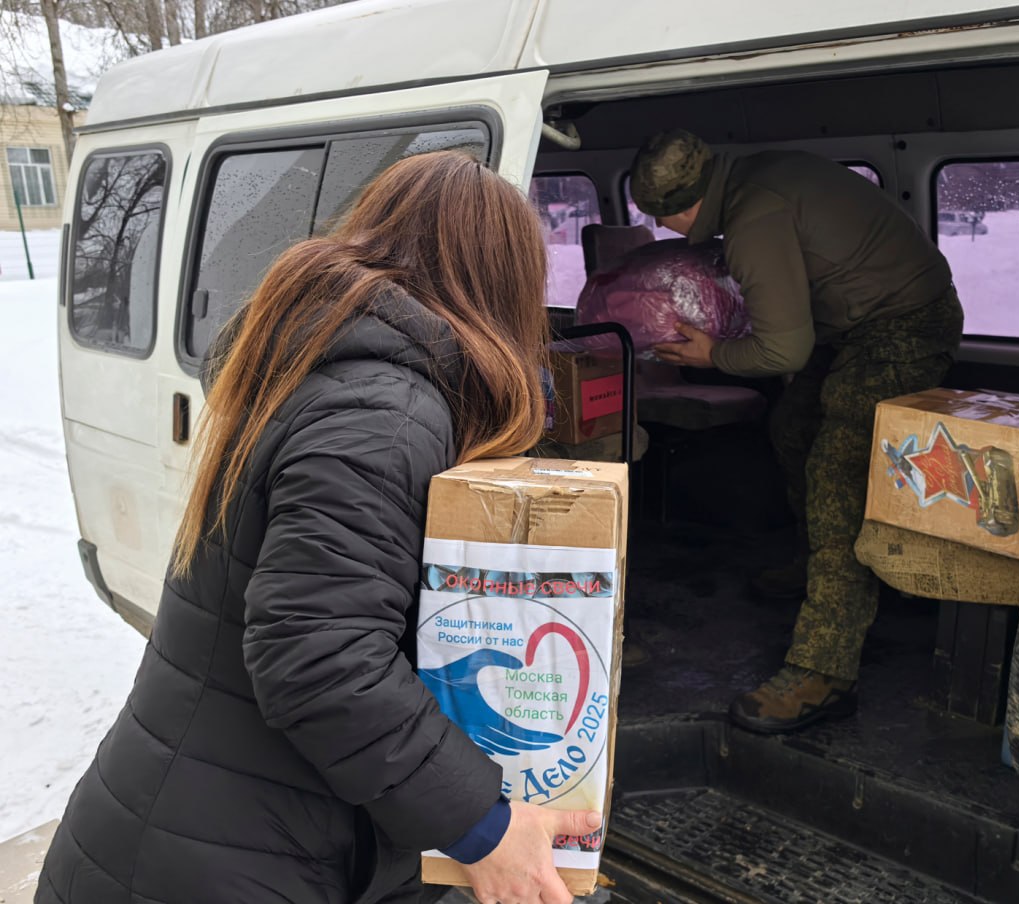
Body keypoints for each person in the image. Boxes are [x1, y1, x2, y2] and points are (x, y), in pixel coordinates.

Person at [36, 151, 597, 904]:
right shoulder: (386, 412)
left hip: (205, 832)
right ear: (499, 285)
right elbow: (320, 655)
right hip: (213, 862)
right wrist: (481, 827)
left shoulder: (331, 368)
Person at [633, 129, 963, 734]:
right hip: (852, 324)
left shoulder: (757, 217)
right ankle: (819, 566)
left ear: (684, 209)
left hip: (903, 324)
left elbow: (783, 350)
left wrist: (713, 357)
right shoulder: (753, 171)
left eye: (662, 219)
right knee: (792, 428)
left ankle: (823, 672)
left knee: (839, 473)